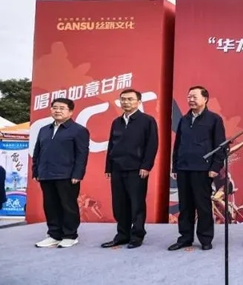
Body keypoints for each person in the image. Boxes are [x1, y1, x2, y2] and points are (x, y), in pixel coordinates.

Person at [168, 86, 227, 251]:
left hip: (203, 169)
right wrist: (175, 166)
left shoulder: (214, 119)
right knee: (185, 206)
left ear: (205, 99)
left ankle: (205, 238)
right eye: (189, 97)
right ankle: (185, 238)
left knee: (203, 205)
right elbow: (177, 144)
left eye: (194, 96)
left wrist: (215, 167)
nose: (191, 100)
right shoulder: (184, 120)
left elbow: (221, 146)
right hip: (183, 168)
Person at [101, 89, 159, 249]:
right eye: (123, 99)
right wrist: (108, 166)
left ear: (138, 102)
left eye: (130, 99)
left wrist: (146, 166)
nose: (126, 102)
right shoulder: (116, 122)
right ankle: (122, 235)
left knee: (136, 204)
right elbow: (111, 145)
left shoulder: (147, 121)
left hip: (137, 169)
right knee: (119, 204)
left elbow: (152, 145)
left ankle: (137, 235)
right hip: (117, 168)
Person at [31, 97, 90, 248]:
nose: (57, 111)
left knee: (68, 206)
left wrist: (77, 174)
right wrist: (36, 170)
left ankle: (70, 235)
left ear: (71, 112)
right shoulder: (44, 130)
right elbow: (37, 152)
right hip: (46, 174)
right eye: (55, 107)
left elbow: (82, 154)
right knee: (50, 206)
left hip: (67, 175)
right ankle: (54, 235)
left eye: (62, 108)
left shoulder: (78, 130)